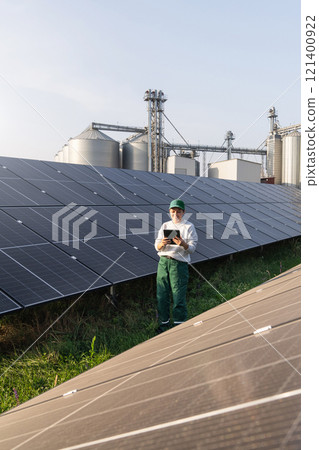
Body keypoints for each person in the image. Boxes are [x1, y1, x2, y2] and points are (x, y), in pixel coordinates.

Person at [154, 199, 198, 333]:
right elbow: (157, 245)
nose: (175, 214)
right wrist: (162, 243)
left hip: (179, 264)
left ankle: (179, 327)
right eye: (173, 211)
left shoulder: (188, 226)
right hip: (163, 262)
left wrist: (183, 244)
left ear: (183, 212)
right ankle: (164, 325)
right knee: (162, 294)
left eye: (178, 211)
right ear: (170, 212)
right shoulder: (165, 226)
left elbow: (192, 248)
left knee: (178, 295)